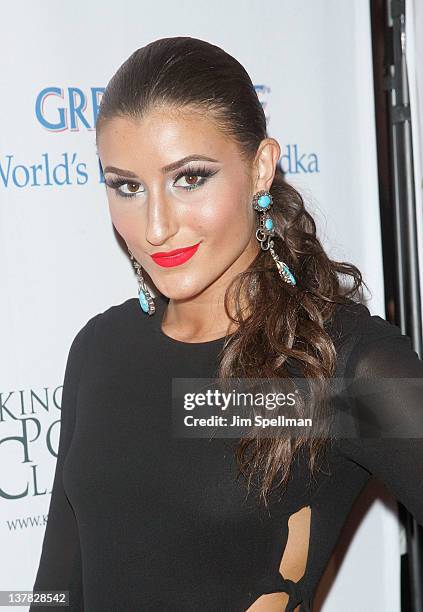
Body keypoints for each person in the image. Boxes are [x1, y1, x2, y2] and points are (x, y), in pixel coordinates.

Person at [30, 36, 423, 612]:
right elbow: (55, 592)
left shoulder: (339, 371)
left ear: (261, 167)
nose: (156, 226)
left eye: (190, 178)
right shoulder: (100, 349)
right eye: (127, 186)